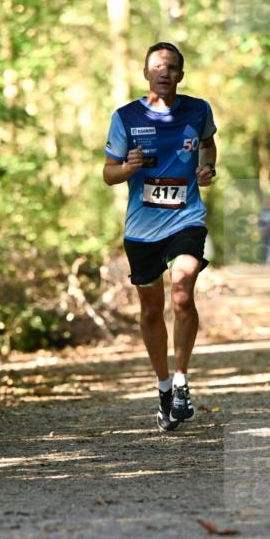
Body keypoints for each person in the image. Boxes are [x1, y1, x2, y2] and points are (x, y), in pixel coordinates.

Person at [103, 41, 218, 431]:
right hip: (141, 229)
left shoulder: (198, 110)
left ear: (180, 75)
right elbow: (108, 173)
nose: (164, 72)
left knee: (183, 292)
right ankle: (164, 387)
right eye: (157, 66)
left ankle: (183, 381)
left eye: (172, 66)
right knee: (152, 309)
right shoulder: (126, 117)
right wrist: (128, 168)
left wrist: (207, 168)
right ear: (146, 73)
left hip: (186, 218)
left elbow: (208, 145)